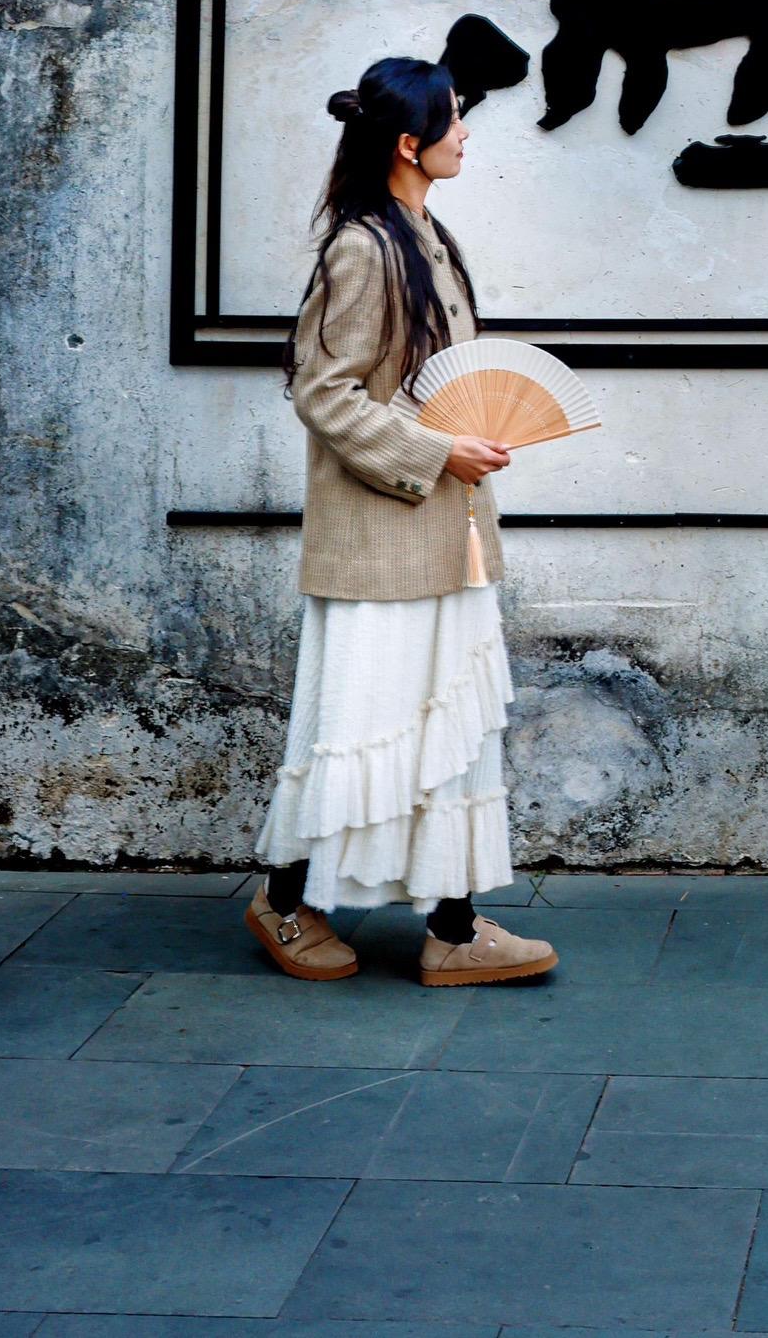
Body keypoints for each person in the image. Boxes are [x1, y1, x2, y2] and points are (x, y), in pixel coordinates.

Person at [245, 53, 558, 987]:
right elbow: (324, 392)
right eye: (453, 120)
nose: (467, 133)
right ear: (407, 143)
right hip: (384, 533)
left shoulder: (430, 236)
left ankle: (453, 929)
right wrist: (438, 454)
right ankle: (284, 899)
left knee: (446, 724)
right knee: (362, 720)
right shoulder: (364, 247)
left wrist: (462, 454)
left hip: (447, 532)